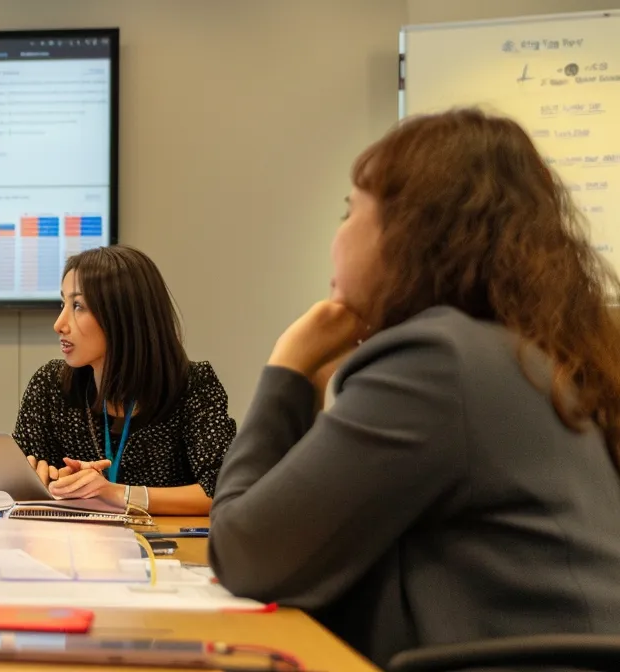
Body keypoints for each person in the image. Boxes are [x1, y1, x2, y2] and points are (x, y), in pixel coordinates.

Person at [209, 108, 620, 667]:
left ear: (406, 232)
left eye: (349, 210)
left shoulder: (438, 362)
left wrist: (287, 371)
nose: (337, 236)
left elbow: (245, 552)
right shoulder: (519, 354)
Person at [12, 245, 236, 515]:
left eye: (78, 306)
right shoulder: (50, 386)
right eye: (63, 304)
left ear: (122, 316)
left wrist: (117, 494)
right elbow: (19, 479)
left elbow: (225, 491)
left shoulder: (193, 387)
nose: (59, 324)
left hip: (165, 549)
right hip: (74, 547)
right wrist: (46, 480)